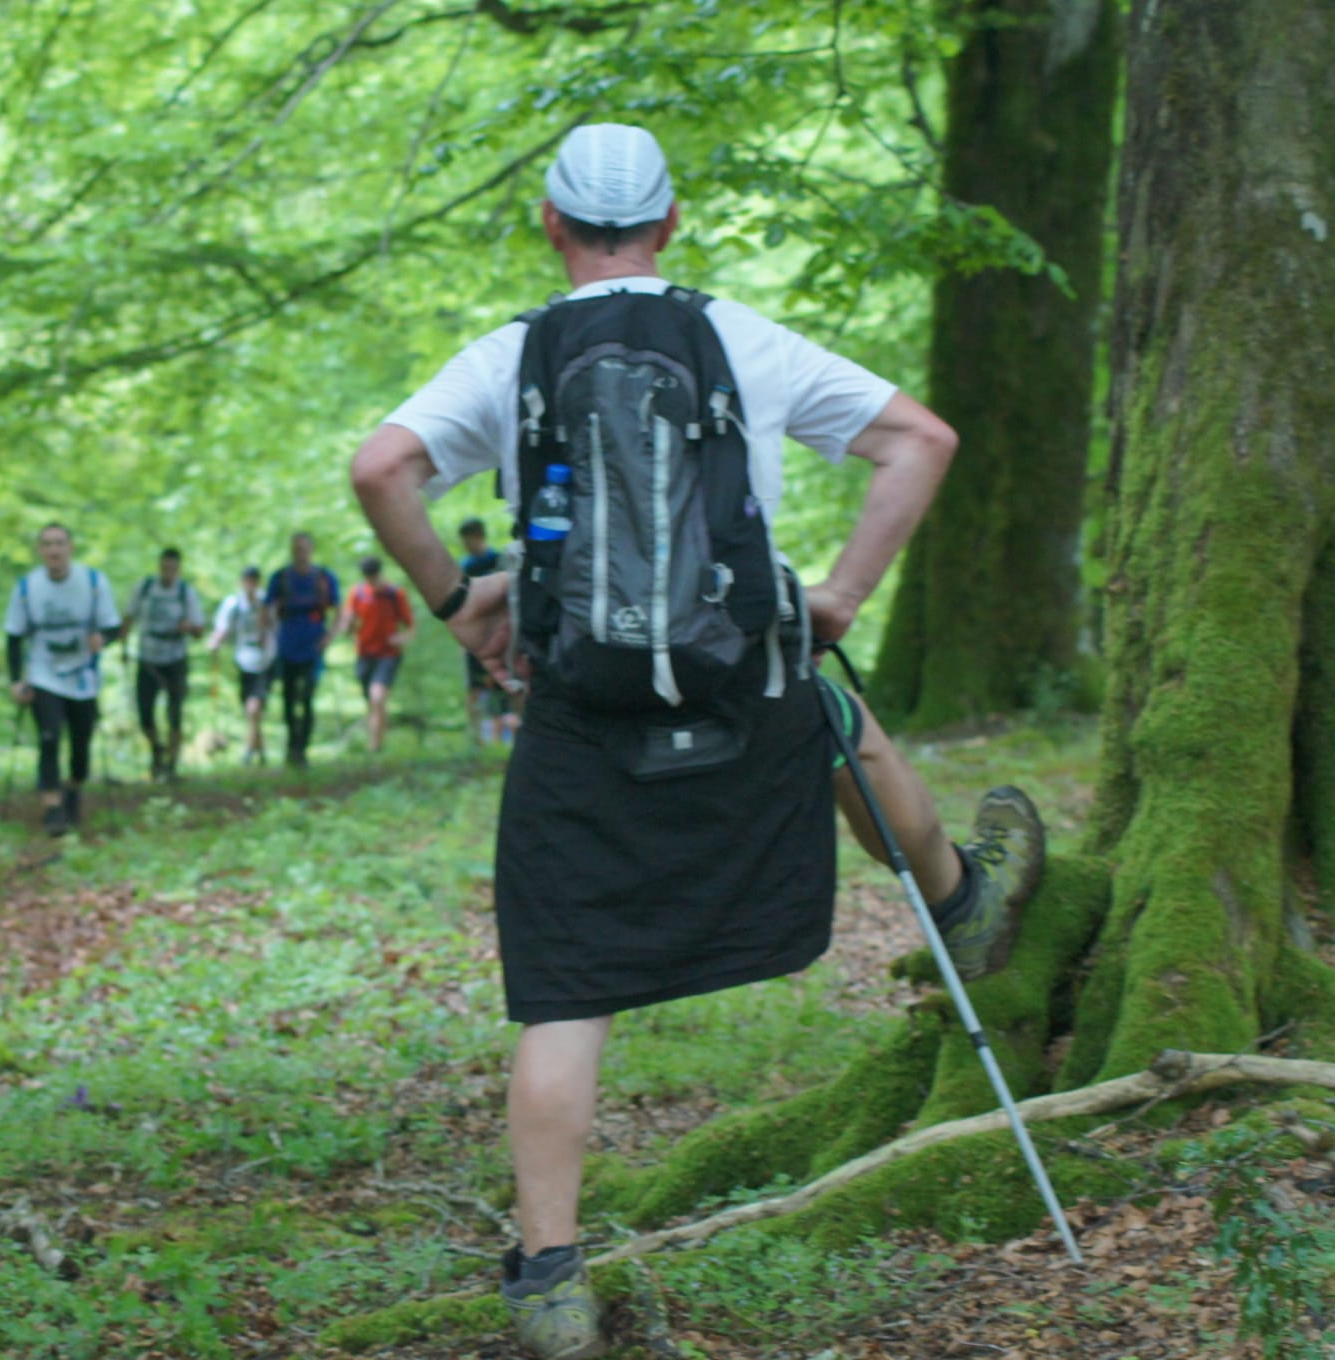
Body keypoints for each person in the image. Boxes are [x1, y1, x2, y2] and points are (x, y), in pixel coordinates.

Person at [350, 124, 1046, 1360]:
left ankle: (552, 1279)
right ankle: (961, 905)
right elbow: (920, 441)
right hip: (748, 689)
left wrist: (463, 609)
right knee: (823, 702)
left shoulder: (510, 356)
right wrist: (834, 594)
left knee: (564, 987)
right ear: (670, 225)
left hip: (582, 706)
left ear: (551, 226)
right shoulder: (739, 338)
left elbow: (381, 467)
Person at [4, 524, 123, 836]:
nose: (53, 551)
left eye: (59, 543)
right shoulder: (27, 587)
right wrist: (16, 680)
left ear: (71, 547)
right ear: (39, 550)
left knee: (81, 741)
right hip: (43, 675)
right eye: (47, 544)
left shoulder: (94, 582)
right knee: (49, 736)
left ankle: (73, 790)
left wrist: (102, 638)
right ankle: (52, 806)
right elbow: (14, 636)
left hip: (83, 676)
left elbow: (113, 626)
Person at [125, 547, 207, 781]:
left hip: (175, 659)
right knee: (145, 714)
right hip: (147, 657)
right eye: (165, 566)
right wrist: (122, 646)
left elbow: (199, 630)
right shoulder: (144, 588)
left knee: (175, 714)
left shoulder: (185, 593)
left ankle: (171, 764)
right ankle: (156, 751)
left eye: (173, 568)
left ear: (178, 569)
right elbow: (128, 617)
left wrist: (188, 627)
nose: (168, 572)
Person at [263, 533, 340, 769]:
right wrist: (270, 632)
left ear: (311, 550)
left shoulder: (324, 578)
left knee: (306, 697)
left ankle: (302, 750)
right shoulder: (281, 577)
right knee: (287, 698)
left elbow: (339, 610)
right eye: (297, 548)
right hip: (286, 646)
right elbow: (267, 608)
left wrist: (329, 638)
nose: (301, 553)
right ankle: (291, 746)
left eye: (305, 549)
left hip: (313, 647)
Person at [336, 556, 414, 755]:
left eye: (374, 576)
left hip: (388, 654)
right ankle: (377, 739)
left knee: (377, 697)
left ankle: (375, 747)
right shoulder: (358, 594)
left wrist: (401, 638)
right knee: (371, 702)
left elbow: (410, 627)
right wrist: (347, 625)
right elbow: (347, 623)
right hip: (364, 654)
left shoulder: (395, 594)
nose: (372, 581)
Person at [457, 517, 519, 747]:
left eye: (467, 540)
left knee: (503, 682)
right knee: (474, 687)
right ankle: (476, 739)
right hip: (474, 636)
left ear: (477, 536)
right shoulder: (465, 567)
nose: (466, 545)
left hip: (497, 632)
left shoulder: (498, 561)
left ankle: (509, 735)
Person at [208, 565, 278, 766]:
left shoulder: (267, 602)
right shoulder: (233, 604)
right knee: (251, 710)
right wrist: (215, 643)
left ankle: (248, 751)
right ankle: (261, 750)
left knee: (254, 708)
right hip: (244, 660)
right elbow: (222, 629)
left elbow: (277, 625)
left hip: (266, 660)